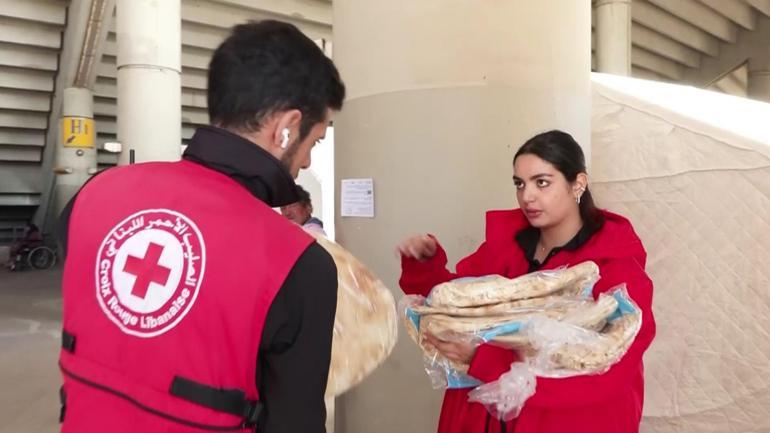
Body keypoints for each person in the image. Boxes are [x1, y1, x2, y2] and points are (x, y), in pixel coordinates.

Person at [57, 20, 345, 433]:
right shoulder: (299, 265)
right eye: (313, 141)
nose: (308, 163)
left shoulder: (92, 195)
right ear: (287, 127)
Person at [398, 130, 656, 433]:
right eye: (519, 184)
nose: (527, 196)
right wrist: (426, 264)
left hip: (565, 422)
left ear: (578, 184)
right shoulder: (508, 246)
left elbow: (610, 366)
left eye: (542, 182)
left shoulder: (614, 265)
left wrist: (489, 362)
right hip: (487, 419)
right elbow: (459, 304)